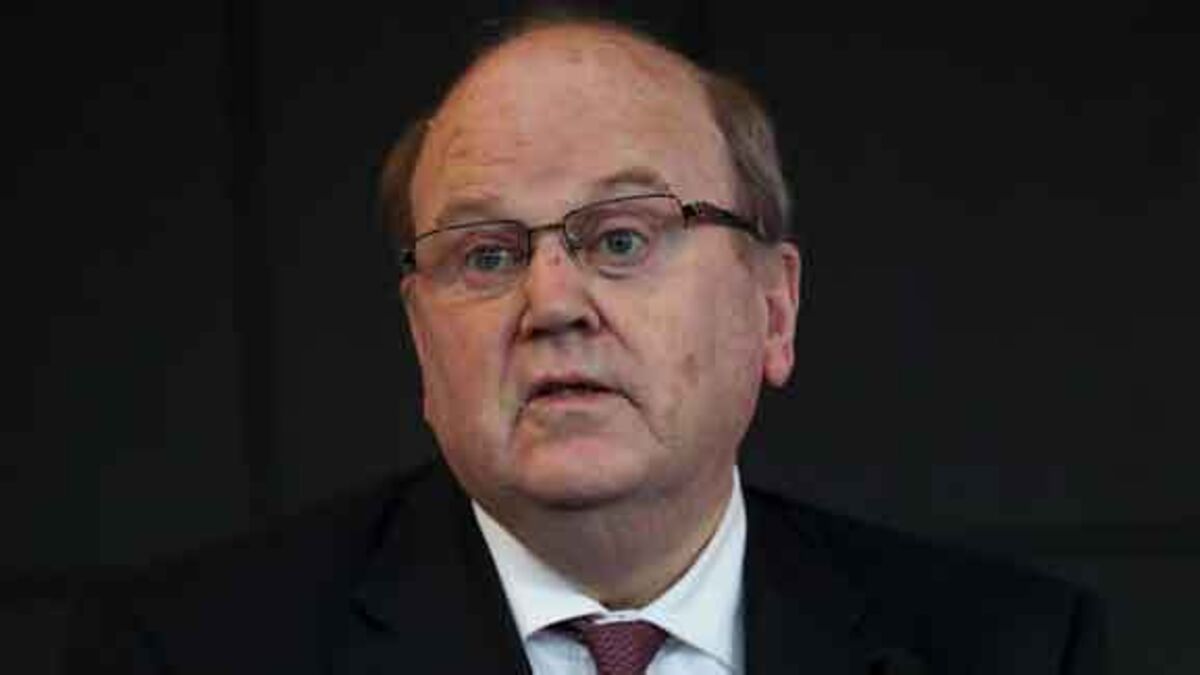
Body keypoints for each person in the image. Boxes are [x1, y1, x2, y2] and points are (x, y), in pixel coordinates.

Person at [66, 13, 1105, 675]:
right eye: (486, 254)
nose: (552, 302)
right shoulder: (186, 655)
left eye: (622, 238)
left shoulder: (1014, 652)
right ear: (420, 338)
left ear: (773, 309)